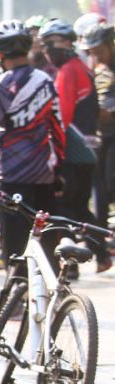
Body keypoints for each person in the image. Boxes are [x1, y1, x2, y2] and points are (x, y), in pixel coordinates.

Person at [0, 20, 64, 268]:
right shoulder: (44, 80)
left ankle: (17, 302)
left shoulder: (4, 84)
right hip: (44, 174)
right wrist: (58, 169)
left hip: (12, 175)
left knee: (15, 247)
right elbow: (58, 128)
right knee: (46, 242)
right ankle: (49, 299)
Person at [41, 19, 111, 273]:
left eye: (52, 44)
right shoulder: (79, 66)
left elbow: (62, 117)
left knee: (64, 207)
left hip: (75, 150)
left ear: (68, 44)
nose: (49, 50)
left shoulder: (69, 71)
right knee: (79, 206)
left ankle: (71, 264)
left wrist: (54, 152)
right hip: (88, 150)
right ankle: (100, 254)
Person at [83, 22, 115, 228]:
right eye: (93, 53)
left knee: (112, 182)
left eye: (100, 51)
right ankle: (102, 236)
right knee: (100, 190)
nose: (98, 57)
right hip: (101, 136)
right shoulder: (97, 71)